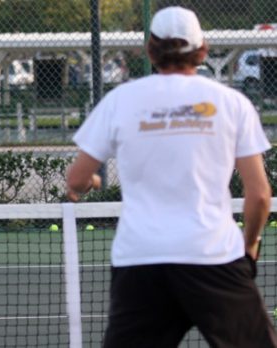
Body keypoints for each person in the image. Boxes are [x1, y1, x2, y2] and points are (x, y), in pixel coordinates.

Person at [66, 6, 277, 348]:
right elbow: (260, 196)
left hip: (140, 262)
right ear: (203, 50)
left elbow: (76, 179)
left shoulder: (120, 100)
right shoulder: (232, 103)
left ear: (150, 50)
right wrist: (249, 246)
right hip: (214, 258)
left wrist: (87, 183)